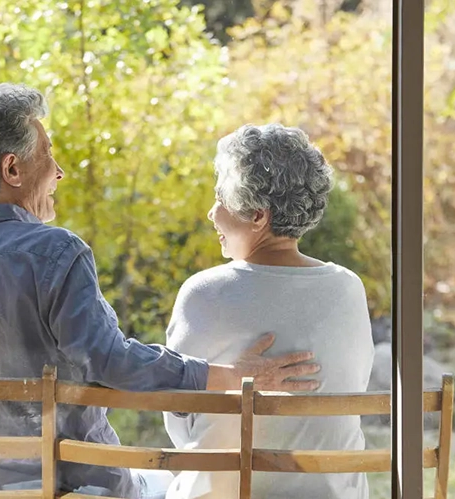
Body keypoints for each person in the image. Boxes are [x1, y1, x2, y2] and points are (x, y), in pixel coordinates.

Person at [0, 83, 322, 498]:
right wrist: (231, 377)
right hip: (73, 488)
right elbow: (110, 360)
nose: (58, 172)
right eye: (48, 155)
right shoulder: (54, 251)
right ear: (12, 169)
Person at [163, 124, 375, 499]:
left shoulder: (204, 293)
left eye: (220, 199)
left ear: (258, 216)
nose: (212, 214)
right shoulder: (348, 288)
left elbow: (179, 419)